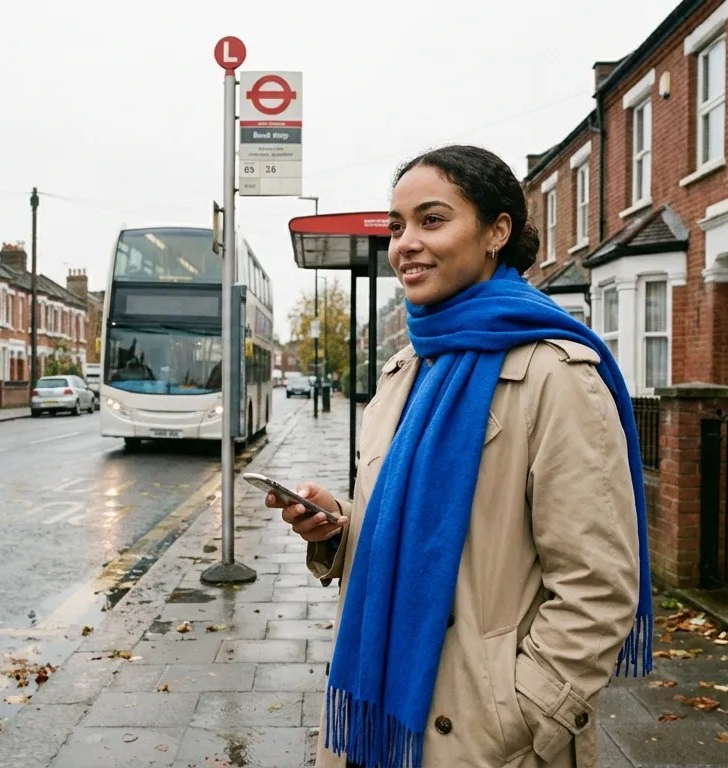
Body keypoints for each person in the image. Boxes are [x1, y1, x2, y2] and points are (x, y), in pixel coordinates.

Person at [267, 144, 651, 768]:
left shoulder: (555, 375)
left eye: (432, 220)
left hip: (482, 736)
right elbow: (406, 525)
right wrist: (337, 526)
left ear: (497, 231)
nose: (406, 243)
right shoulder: (406, 369)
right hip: (379, 714)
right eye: (397, 226)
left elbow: (598, 586)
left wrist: (522, 715)